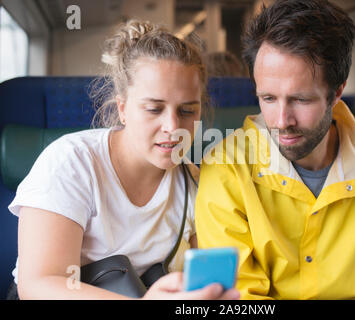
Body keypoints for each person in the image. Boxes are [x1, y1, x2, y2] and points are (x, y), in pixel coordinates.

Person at [194, 0, 355, 300]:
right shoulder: (226, 168)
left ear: (337, 92)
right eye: (268, 98)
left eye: (301, 100)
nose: (281, 121)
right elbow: (237, 300)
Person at [7, 20, 239, 300]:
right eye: (154, 109)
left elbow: (203, 277)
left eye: (187, 111)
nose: (172, 126)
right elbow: (39, 285)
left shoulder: (195, 182)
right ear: (123, 108)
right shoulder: (72, 162)